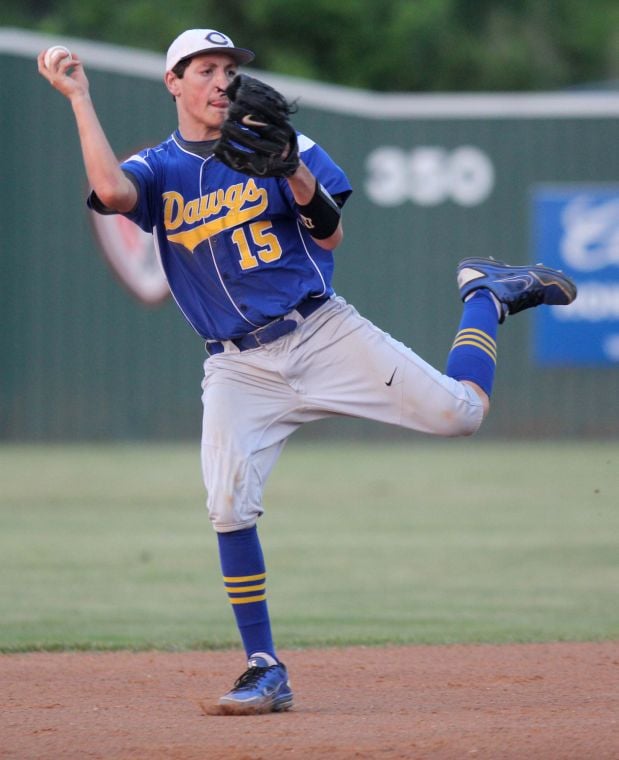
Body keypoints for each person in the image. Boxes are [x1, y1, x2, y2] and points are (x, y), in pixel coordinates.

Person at [38, 28, 576, 715]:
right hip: (238, 369)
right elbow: (111, 194)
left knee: (460, 415)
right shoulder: (158, 168)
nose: (220, 82)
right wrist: (79, 97)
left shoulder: (286, 146)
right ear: (172, 82)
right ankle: (264, 668)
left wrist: (290, 166)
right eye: (204, 70)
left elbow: (328, 234)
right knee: (227, 505)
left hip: (319, 331)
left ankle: (486, 296)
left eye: (229, 70)